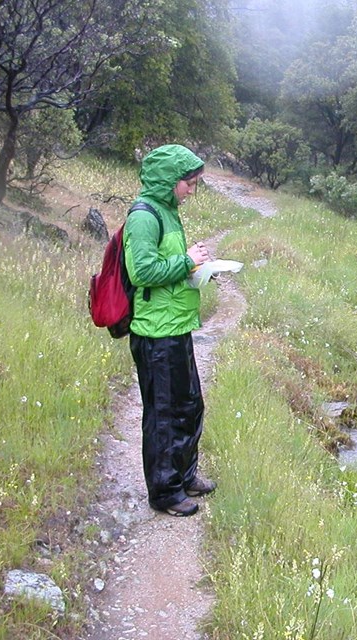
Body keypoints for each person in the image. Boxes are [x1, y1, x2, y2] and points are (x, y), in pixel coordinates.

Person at [123, 144, 216, 517]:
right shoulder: (144, 216)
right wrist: (187, 260)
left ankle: (184, 474)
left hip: (176, 325)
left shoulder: (168, 210)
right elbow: (142, 272)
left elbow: (167, 264)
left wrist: (192, 263)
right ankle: (164, 493)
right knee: (163, 413)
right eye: (188, 184)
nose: (191, 191)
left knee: (190, 404)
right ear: (169, 181)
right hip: (154, 332)